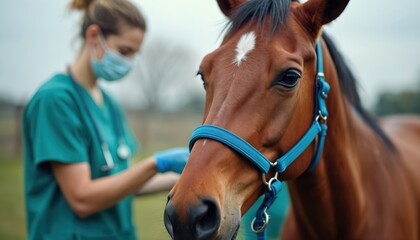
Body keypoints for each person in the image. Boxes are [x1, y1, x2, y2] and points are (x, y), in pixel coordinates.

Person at [22, 0, 189, 239]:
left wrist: (189, 173)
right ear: (93, 35)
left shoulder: (109, 104)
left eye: (134, 54)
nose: (129, 62)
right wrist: (155, 164)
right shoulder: (55, 100)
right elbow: (82, 199)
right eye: (124, 51)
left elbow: (124, 182)